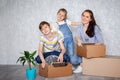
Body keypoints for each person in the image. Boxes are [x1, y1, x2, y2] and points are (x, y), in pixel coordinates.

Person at [52, 8, 82, 73]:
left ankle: (79, 63)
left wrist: (82, 23)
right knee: (64, 53)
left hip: (69, 40)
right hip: (62, 41)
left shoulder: (66, 21)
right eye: (59, 14)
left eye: (62, 15)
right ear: (57, 14)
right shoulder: (55, 24)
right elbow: (54, 33)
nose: (60, 16)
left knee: (71, 53)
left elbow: (74, 23)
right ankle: (69, 65)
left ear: (64, 17)